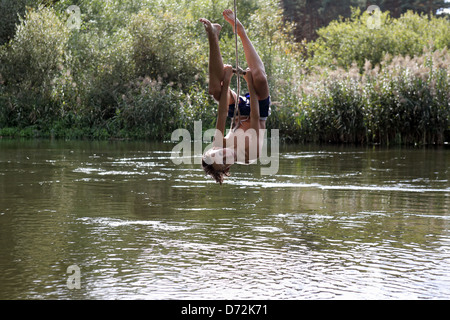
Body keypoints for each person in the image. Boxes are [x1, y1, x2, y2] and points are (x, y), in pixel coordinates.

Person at [199, 9, 271, 184]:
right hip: (258, 109)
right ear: (227, 168)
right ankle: (241, 32)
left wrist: (228, 80)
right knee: (260, 77)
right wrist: (249, 83)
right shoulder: (250, 155)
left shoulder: (219, 143)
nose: (224, 154)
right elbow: (255, 116)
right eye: (224, 161)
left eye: (218, 153)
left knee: (214, 91)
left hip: (237, 110)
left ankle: (213, 35)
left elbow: (222, 112)